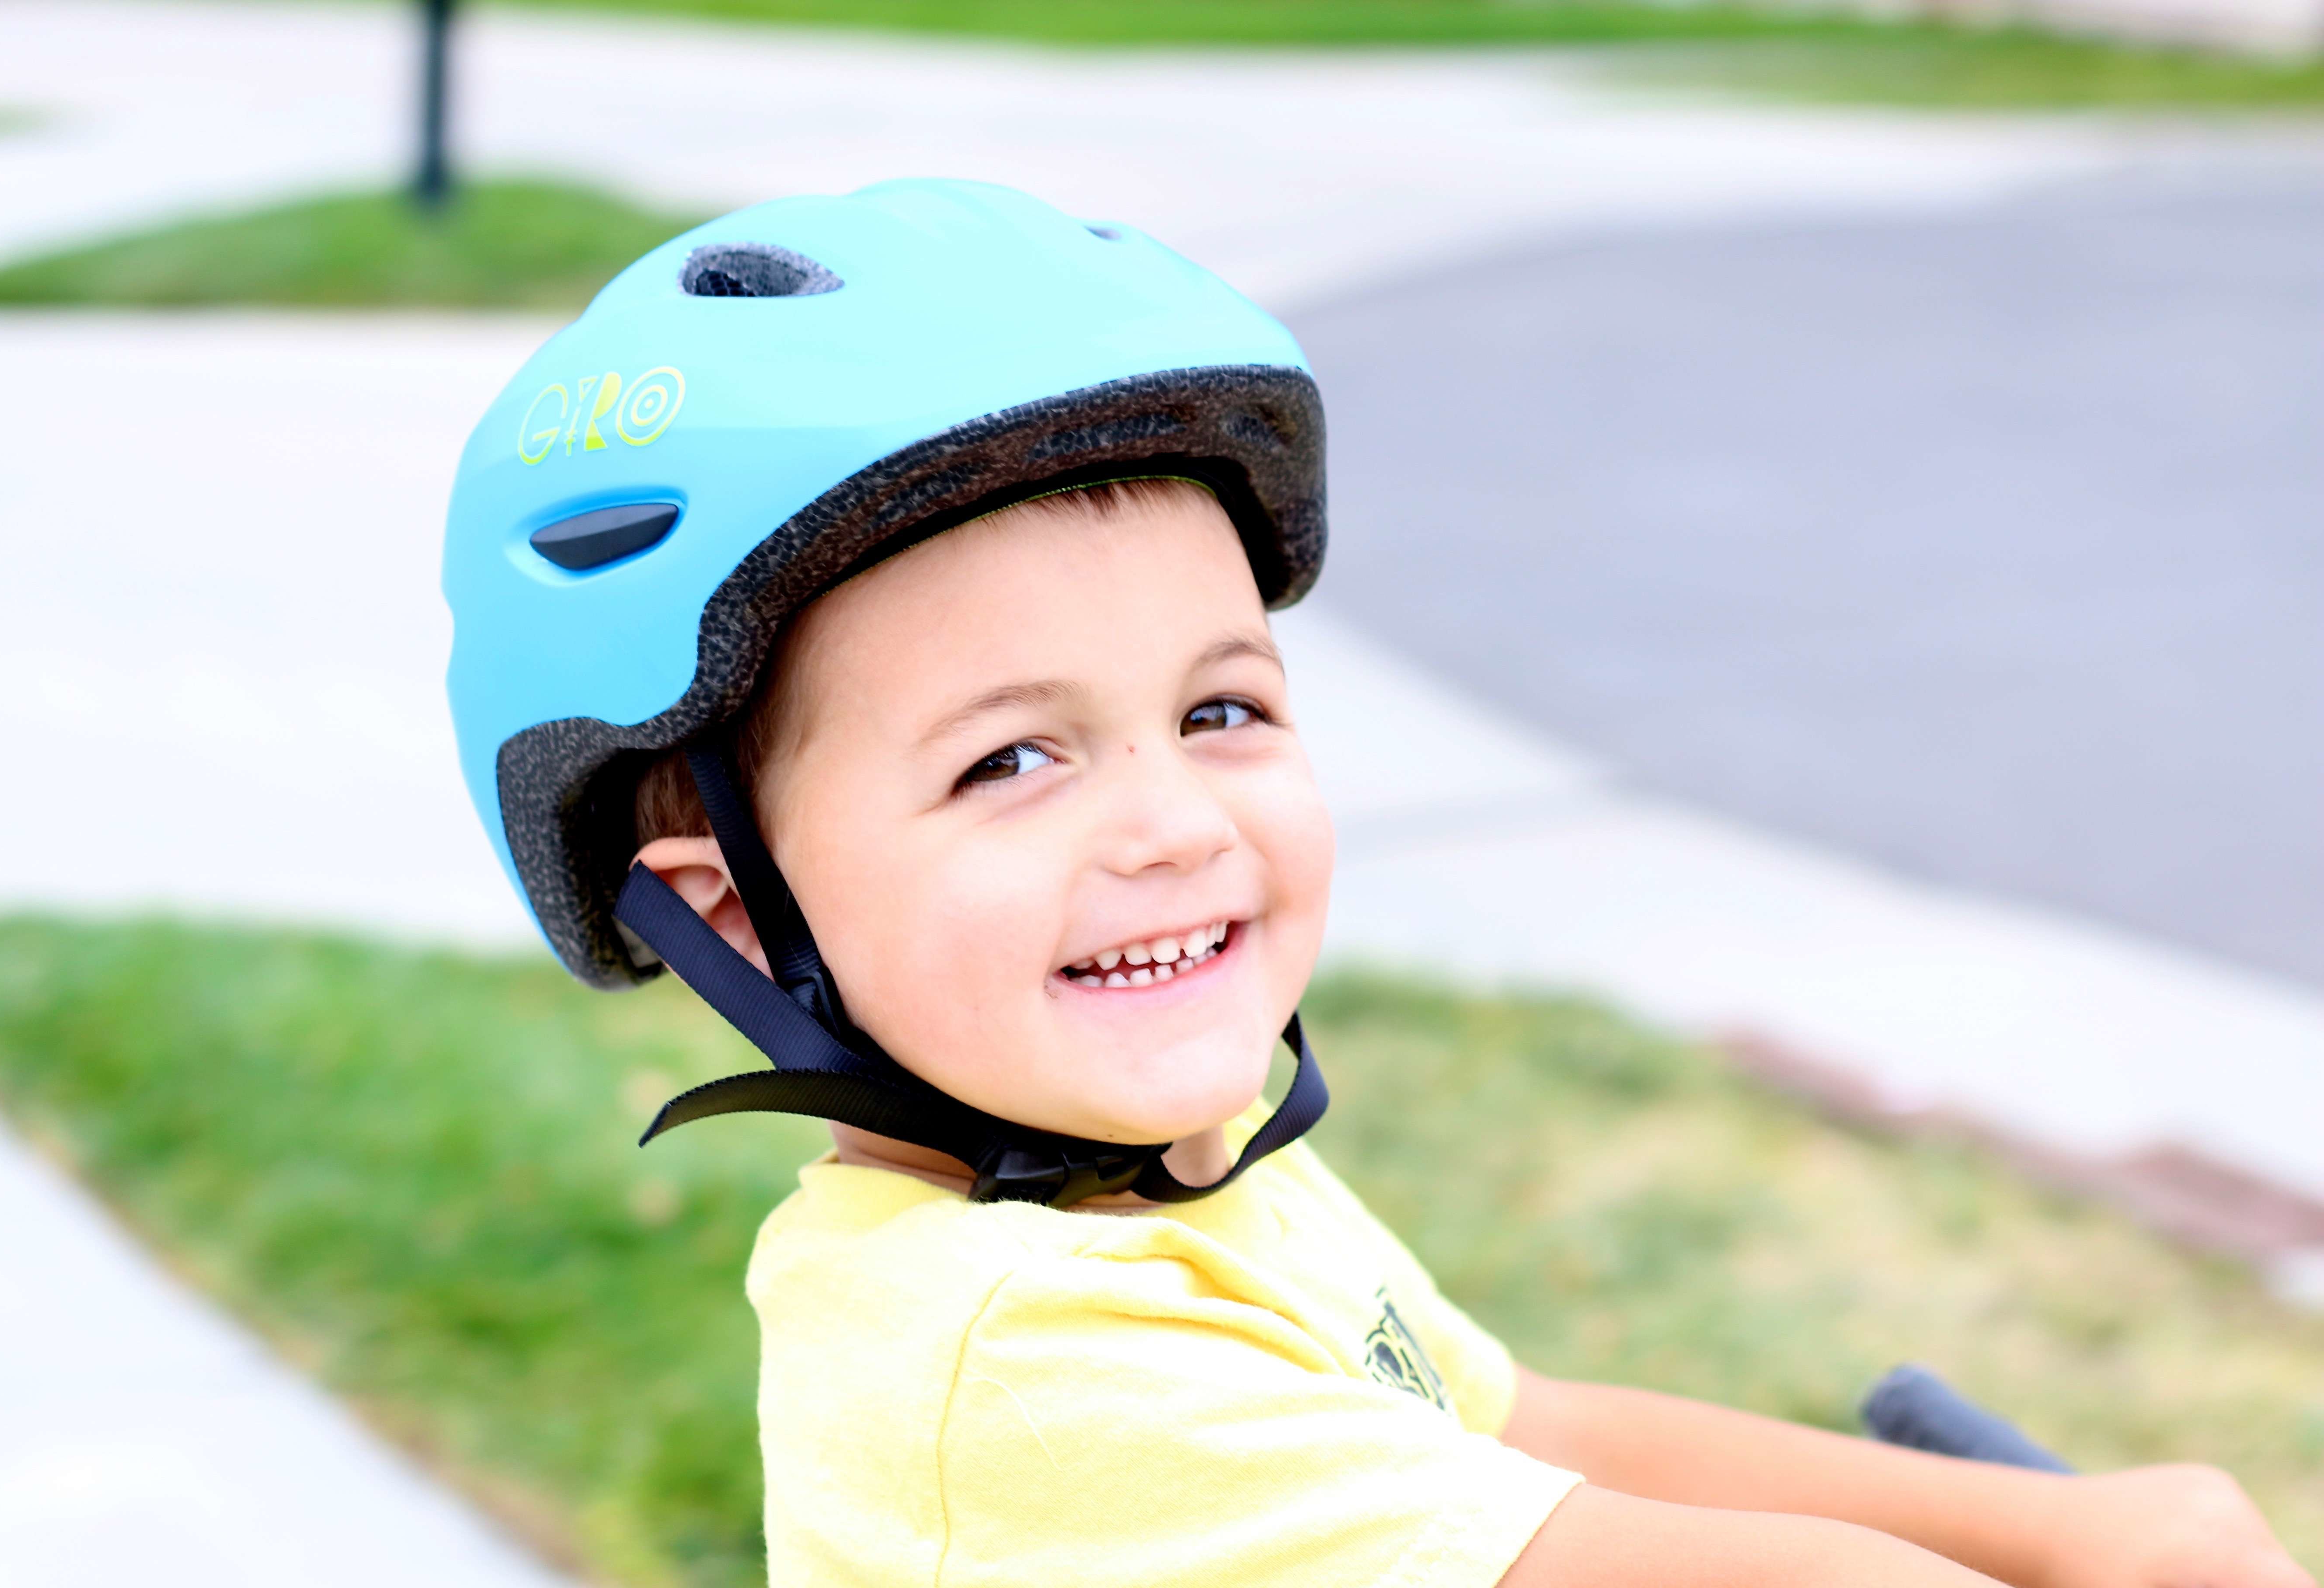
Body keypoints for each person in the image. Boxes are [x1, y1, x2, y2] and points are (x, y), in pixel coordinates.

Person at [443, 179, 2310, 1588]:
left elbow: (1526, 1438)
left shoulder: (1183, 1183)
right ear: (747, 919)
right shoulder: (1003, 1362)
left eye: (1220, 707)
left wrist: (2067, 1531)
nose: (1173, 823)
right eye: (1011, 758)